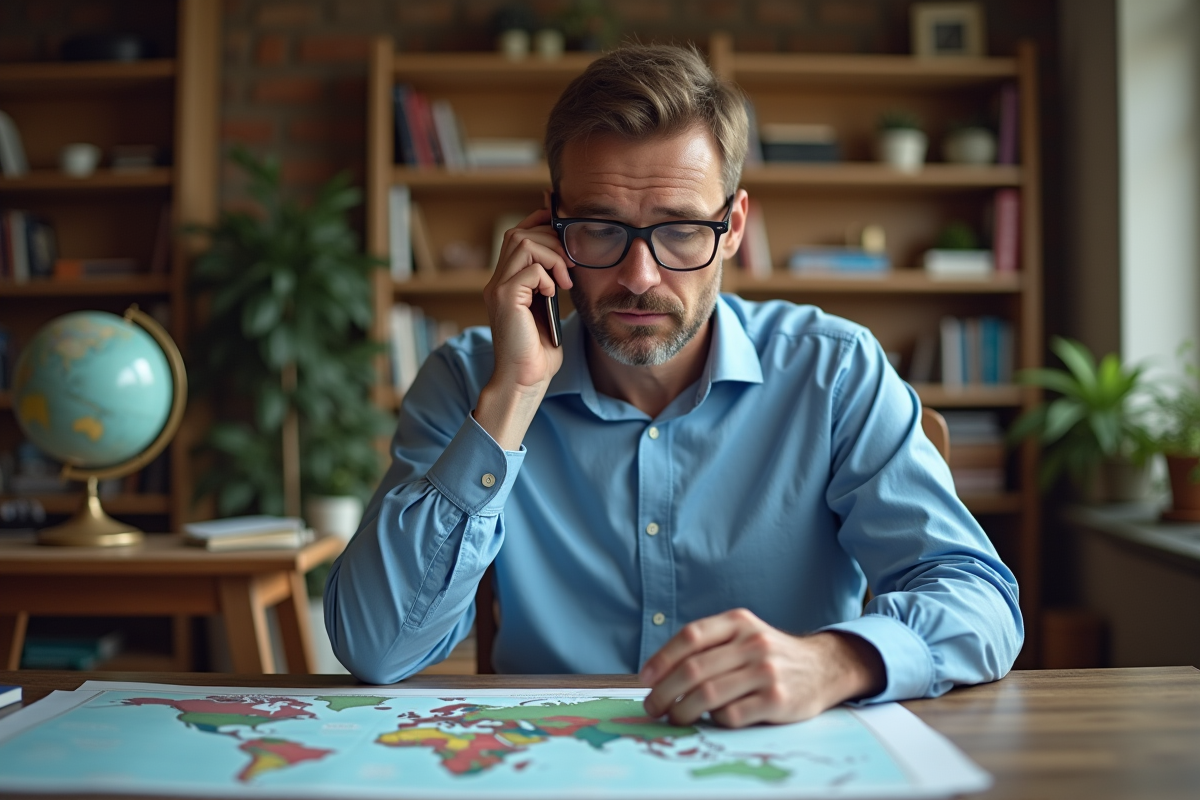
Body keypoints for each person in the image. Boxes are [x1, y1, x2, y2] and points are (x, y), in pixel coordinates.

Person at [325, 44, 1022, 728]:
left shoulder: (833, 372)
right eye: (599, 228)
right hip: (552, 768)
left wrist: (836, 662)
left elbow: (978, 602)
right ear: (548, 226)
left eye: (682, 231)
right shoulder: (469, 380)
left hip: (779, 761)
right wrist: (510, 397)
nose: (639, 276)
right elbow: (376, 647)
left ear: (733, 229)